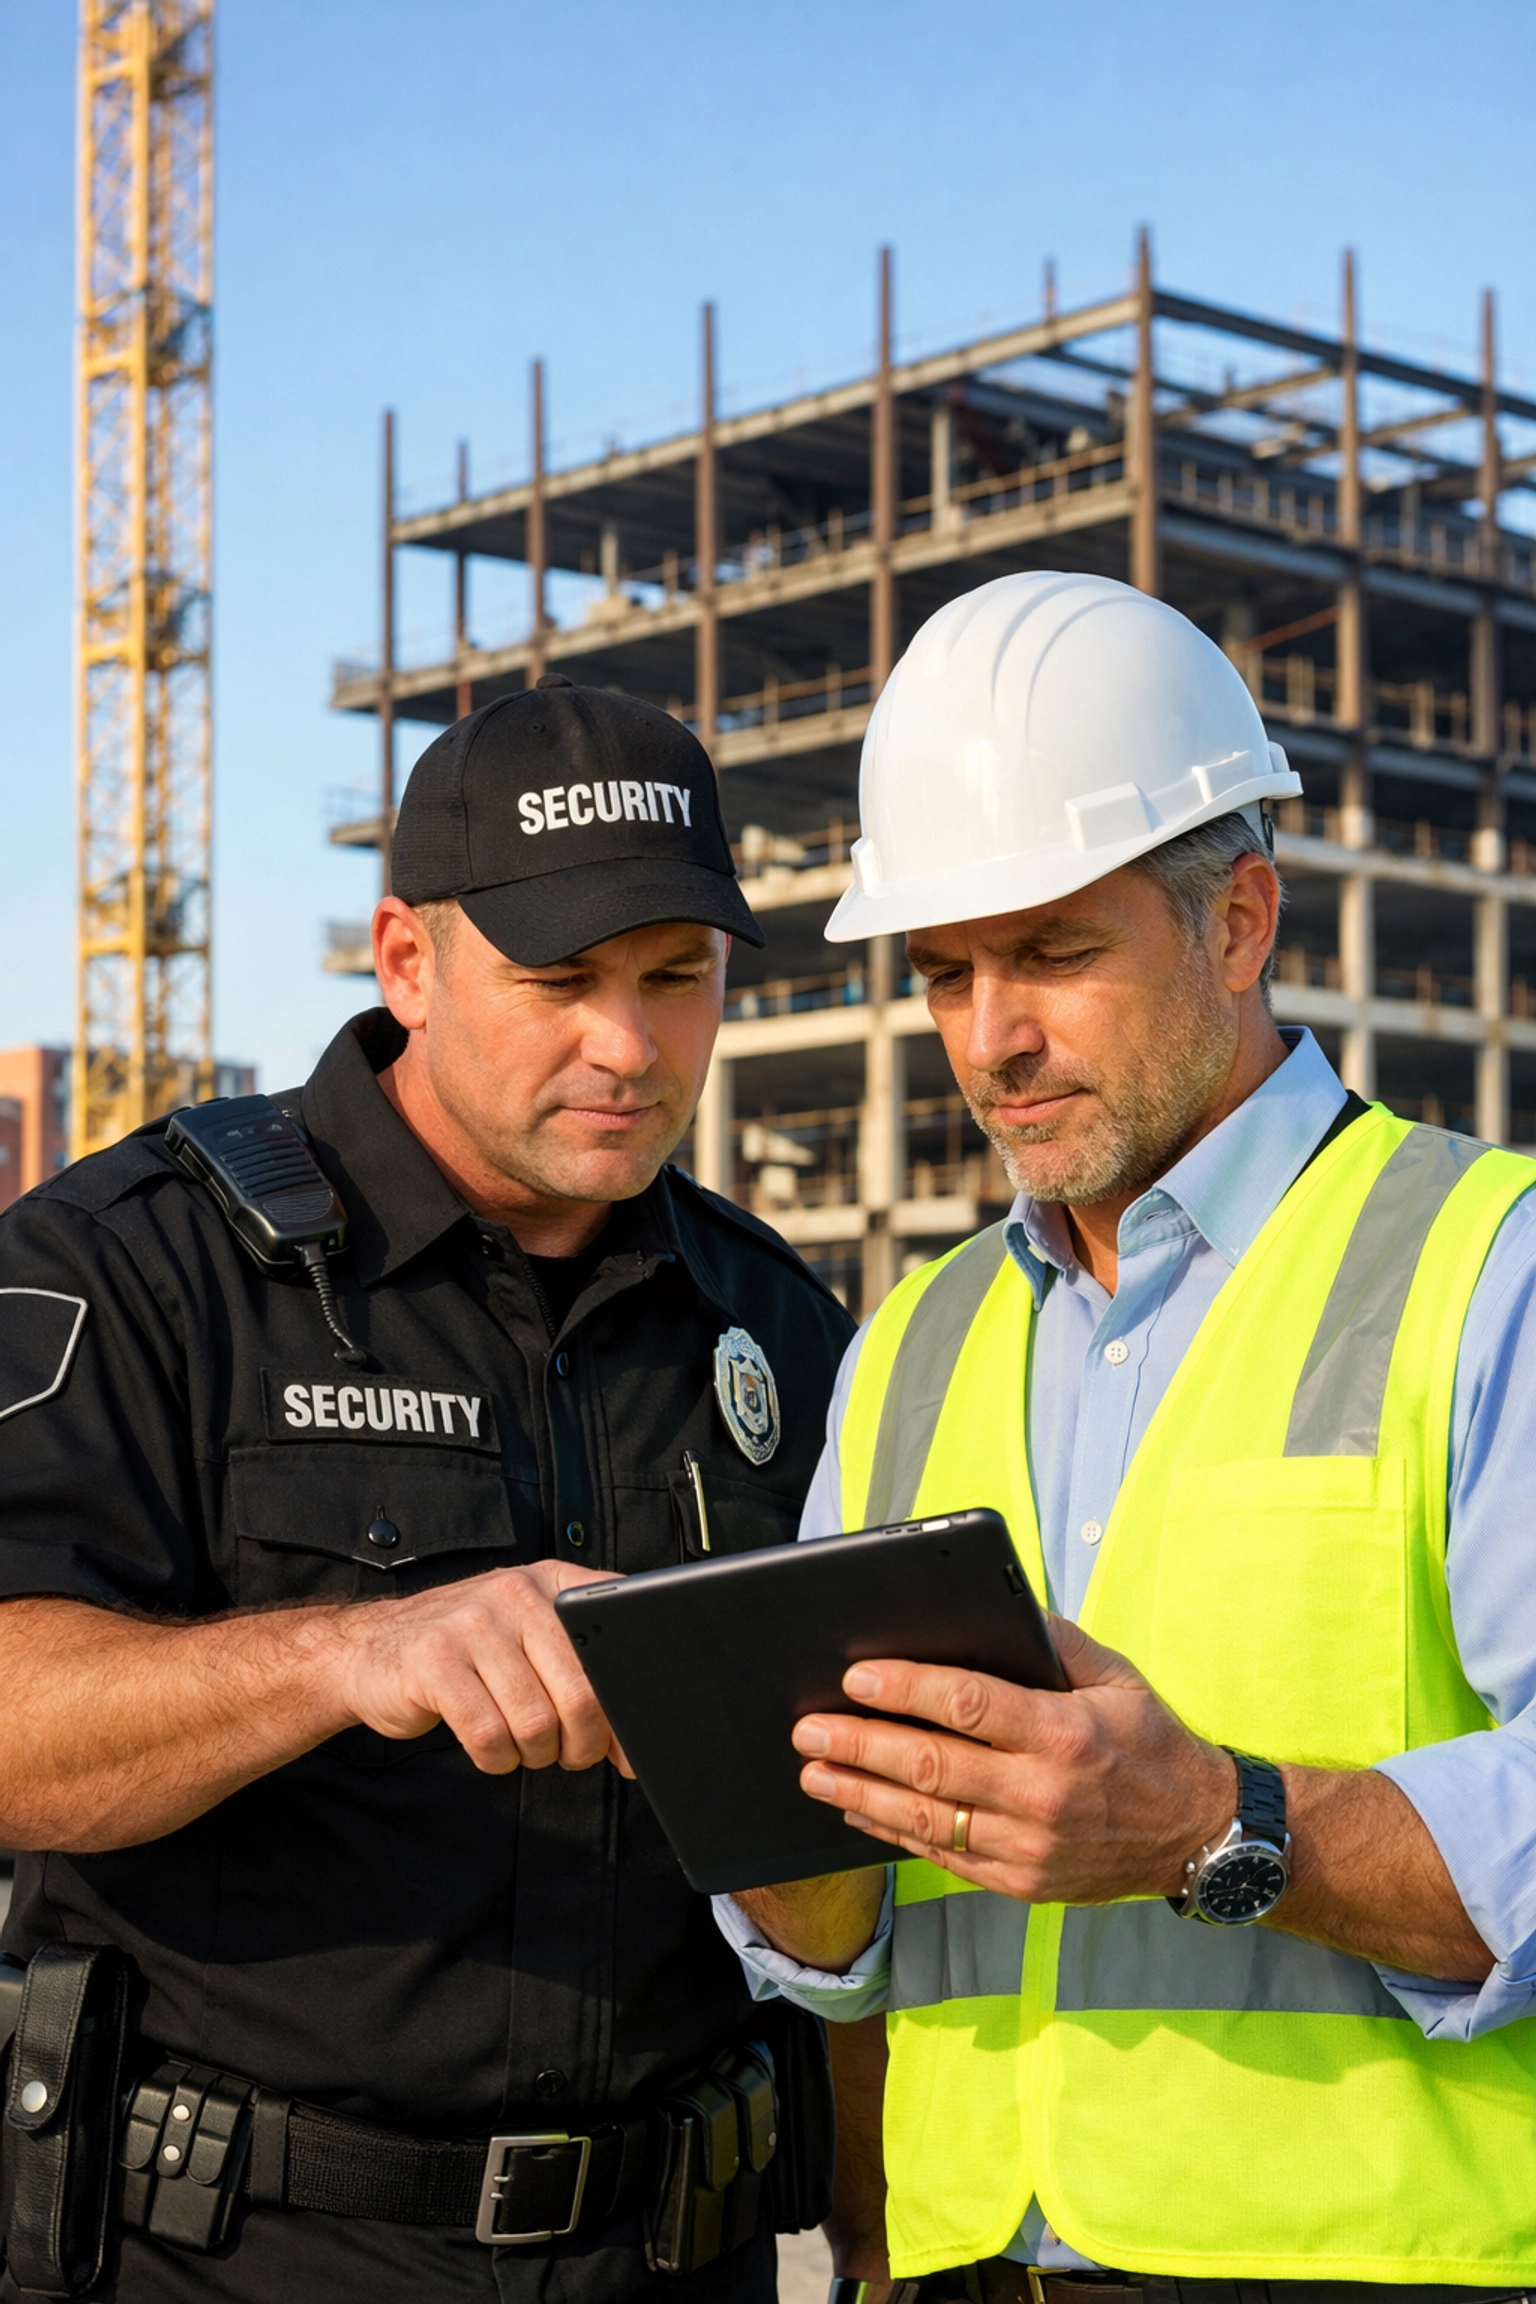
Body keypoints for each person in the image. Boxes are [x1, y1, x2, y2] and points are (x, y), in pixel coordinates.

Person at [722, 571, 1536, 2304]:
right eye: (946, 971)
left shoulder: (1490, 1268)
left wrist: (1214, 1826)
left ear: (1241, 922)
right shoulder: (908, 1352)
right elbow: (851, 1955)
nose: (991, 1036)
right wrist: (756, 1813)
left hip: (1373, 2269)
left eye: (1055, 953)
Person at [0, 675, 854, 2304]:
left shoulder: (778, 1324)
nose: (629, 1044)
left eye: (678, 979)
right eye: (561, 981)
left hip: (679, 2254)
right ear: (407, 960)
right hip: (241, 2259)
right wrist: (347, 1655)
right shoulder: (137, 1271)